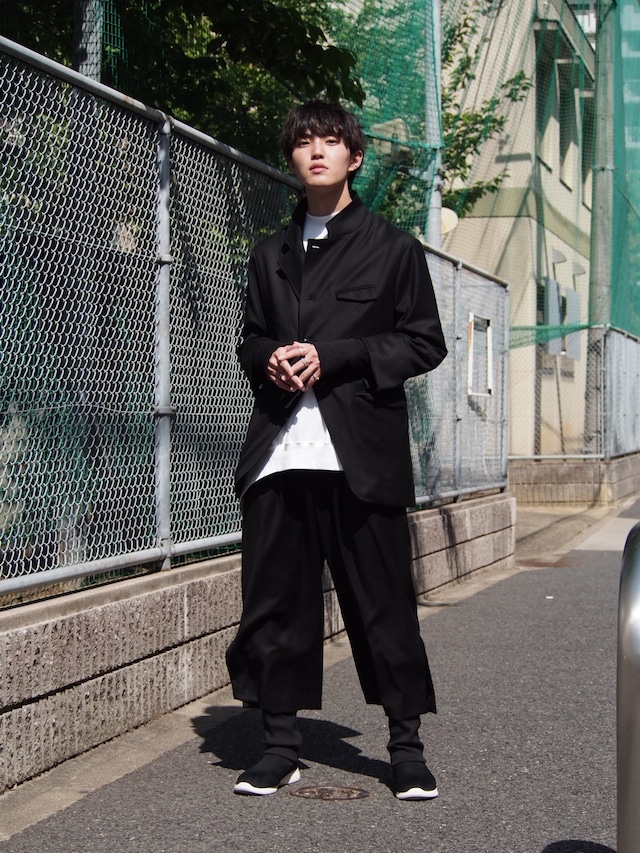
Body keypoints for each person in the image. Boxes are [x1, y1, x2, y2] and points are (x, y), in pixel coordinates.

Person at [226, 101, 447, 800]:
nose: (316, 150)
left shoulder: (392, 248)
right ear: (291, 158)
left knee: (383, 606)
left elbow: (424, 342)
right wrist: (270, 358)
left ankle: (405, 748)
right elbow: (250, 338)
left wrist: (338, 354)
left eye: (330, 140)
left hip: (362, 459)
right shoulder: (269, 253)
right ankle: (279, 745)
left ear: (354, 157)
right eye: (304, 141)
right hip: (281, 454)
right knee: (276, 607)